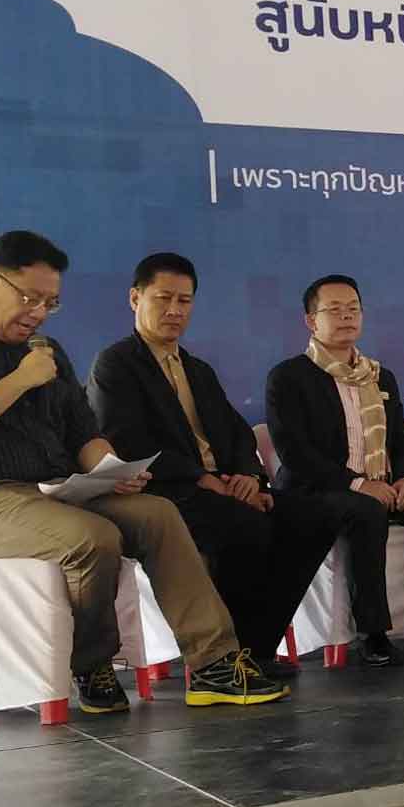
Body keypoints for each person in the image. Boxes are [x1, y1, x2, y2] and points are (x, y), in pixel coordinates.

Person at [0, 231, 286, 713]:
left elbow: (83, 432)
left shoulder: (47, 350)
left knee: (157, 514)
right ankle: (92, 663)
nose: (39, 312)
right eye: (30, 298)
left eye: (51, 302)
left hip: (57, 490)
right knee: (93, 537)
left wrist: (109, 469)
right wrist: (21, 379)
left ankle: (213, 663)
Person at [87, 253, 350, 677]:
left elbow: (237, 433)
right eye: (164, 298)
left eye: (185, 301)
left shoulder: (197, 369)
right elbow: (127, 442)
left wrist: (249, 476)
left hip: (221, 488)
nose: (175, 311)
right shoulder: (115, 365)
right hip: (165, 494)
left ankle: (256, 647)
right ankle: (228, 655)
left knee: (316, 515)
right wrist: (204, 479)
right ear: (135, 298)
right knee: (242, 525)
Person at [265, 275, 404, 665]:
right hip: (316, 493)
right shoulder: (289, 377)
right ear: (311, 321)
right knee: (367, 510)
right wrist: (358, 483)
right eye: (334, 310)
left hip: (381, 487)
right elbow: (295, 454)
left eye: (353, 309)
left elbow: (401, 443)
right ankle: (373, 632)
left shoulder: (379, 376)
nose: (347, 317)